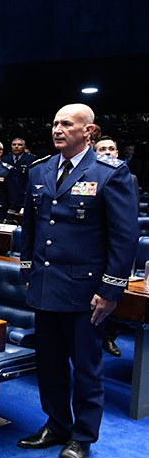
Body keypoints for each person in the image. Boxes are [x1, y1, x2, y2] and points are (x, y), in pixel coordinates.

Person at [17, 103, 137, 458]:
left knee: (86, 368)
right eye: (55, 123)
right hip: (46, 285)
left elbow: (124, 236)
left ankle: (82, 436)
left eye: (67, 124)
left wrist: (111, 289)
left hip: (87, 292)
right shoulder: (40, 170)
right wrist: (27, 270)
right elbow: (32, 228)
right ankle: (56, 423)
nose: (58, 129)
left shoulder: (109, 173)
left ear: (89, 131)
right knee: (49, 363)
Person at [94, 136, 140, 357]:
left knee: (114, 297)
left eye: (112, 149)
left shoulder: (128, 178)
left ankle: (109, 336)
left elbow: (129, 221)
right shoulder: (87, 175)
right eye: (102, 149)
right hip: (93, 248)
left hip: (116, 248)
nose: (108, 152)